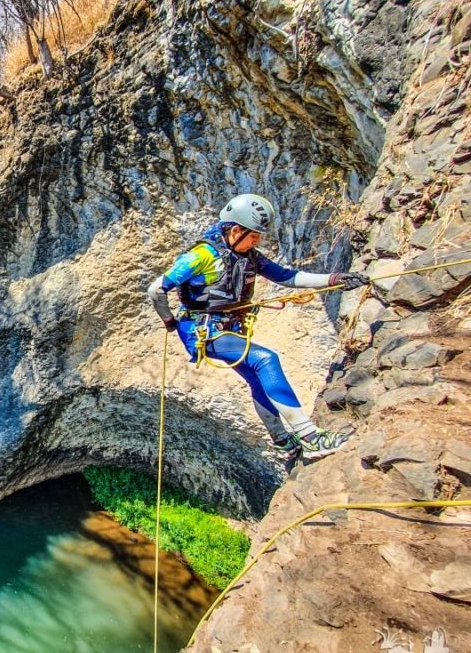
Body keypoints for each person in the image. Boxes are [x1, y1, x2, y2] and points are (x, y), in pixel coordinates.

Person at [146, 194, 369, 460]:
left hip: (228, 328)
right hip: (203, 330)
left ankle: (284, 441)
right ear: (235, 230)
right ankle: (311, 437)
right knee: (265, 360)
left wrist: (334, 279)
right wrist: (170, 321)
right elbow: (157, 289)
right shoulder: (201, 256)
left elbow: (286, 277)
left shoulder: (250, 256)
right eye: (253, 236)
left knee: (256, 377)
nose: (256, 241)